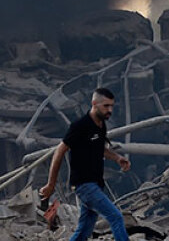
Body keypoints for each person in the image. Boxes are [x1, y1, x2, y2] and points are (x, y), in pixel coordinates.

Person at [40, 87, 131, 241]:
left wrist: (117, 158)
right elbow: (59, 151)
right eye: (106, 106)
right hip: (85, 185)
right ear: (94, 103)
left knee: (83, 231)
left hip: (95, 184)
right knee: (116, 217)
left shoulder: (101, 125)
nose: (110, 110)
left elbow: (99, 148)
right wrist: (51, 184)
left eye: (111, 106)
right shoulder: (80, 126)